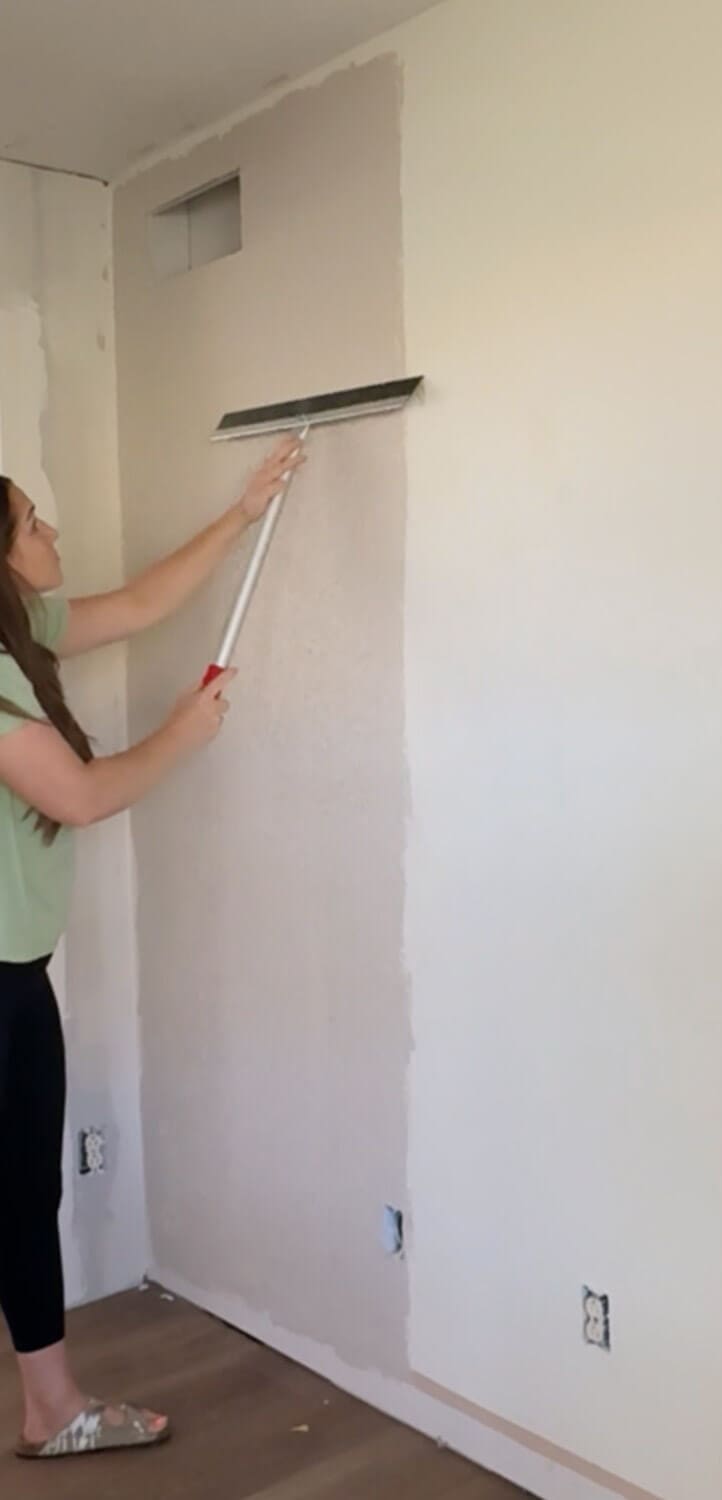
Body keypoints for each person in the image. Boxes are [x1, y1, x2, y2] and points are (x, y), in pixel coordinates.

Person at [0, 437, 305, 1459]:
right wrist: (183, 733)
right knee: (14, 1192)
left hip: (14, 973)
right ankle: (51, 1409)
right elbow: (79, 795)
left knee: (20, 1193)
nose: (52, 533)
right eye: (33, 524)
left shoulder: (19, 629)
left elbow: (135, 606)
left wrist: (244, 511)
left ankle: (51, 1409)